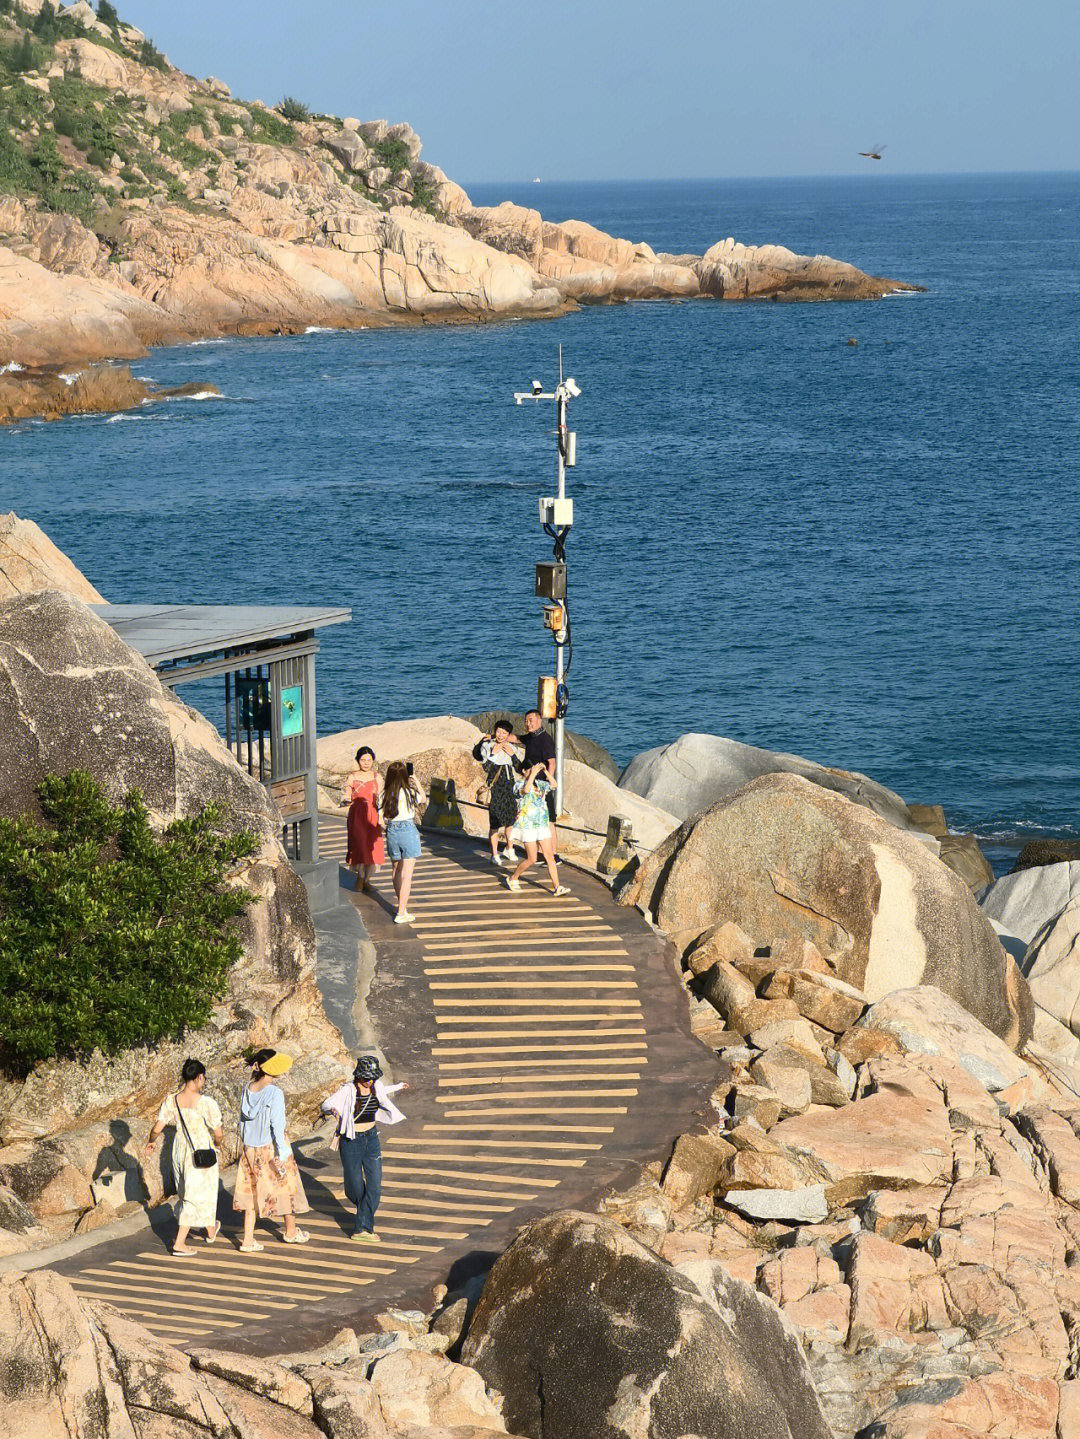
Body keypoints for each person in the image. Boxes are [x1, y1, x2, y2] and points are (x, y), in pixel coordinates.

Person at [320, 1054, 408, 1243]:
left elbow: (385, 1090)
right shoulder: (348, 1091)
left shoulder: (376, 1087)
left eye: (373, 1077)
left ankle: (362, 1228)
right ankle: (363, 1217)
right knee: (355, 1188)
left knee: (375, 1186)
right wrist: (333, 1110)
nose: (370, 1081)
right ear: (359, 1075)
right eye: (367, 1077)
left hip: (371, 1139)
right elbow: (326, 1103)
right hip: (351, 1141)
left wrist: (400, 1087)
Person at [233, 1049, 310, 1251]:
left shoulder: (247, 1088)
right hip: (271, 1147)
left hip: (250, 1149)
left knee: (251, 1190)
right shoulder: (274, 1093)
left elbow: (242, 1122)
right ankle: (291, 1231)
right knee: (286, 1186)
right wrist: (282, 1153)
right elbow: (277, 1125)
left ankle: (248, 1240)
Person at [145, 1058, 224, 1256]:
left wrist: (151, 1141)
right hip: (201, 1151)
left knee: (187, 1190)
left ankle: (211, 1228)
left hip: (179, 1150)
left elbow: (157, 1127)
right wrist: (217, 1145)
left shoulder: (172, 1100)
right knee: (197, 1194)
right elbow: (218, 1133)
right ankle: (180, 1243)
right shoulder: (206, 1103)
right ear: (199, 1077)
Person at [506, 763, 569, 896]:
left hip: (541, 824)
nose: (533, 771)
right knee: (532, 858)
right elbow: (526, 790)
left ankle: (557, 887)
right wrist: (532, 774)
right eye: (529, 769)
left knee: (549, 856)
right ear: (523, 770)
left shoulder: (540, 784)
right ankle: (513, 877)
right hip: (527, 826)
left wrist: (545, 772)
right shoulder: (518, 784)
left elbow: (554, 785)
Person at [380, 761, 425, 925]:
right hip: (408, 830)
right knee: (407, 874)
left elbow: (380, 821)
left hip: (392, 830)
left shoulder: (383, 794)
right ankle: (401, 912)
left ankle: (401, 905)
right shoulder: (410, 792)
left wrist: (389, 829)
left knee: (396, 869)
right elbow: (424, 799)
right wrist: (416, 780)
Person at [476, 720, 521, 867]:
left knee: (511, 820)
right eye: (499, 731)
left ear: (509, 735)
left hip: (509, 787)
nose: (501, 735)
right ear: (495, 731)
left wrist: (513, 755)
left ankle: (509, 847)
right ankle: (494, 854)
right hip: (496, 788)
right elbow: (486, 768)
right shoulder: (488, 746)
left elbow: (519, 768)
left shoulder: (511, 747)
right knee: (495, 823)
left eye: (504, 733)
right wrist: (493, 754)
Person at [514, 710, 558, 849]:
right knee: (538, 820)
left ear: (539, 720)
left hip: (541, 786)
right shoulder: (531, 737)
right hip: (531, 784)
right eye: (526, 721)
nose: (528, 723)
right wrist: (495, 736)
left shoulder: (545, 739)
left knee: (549, 821)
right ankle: (541, 852)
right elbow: (516, 739)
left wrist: (546, 784)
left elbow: (552, 762)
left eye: (531, 720)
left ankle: (554, 854)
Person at [342, 745, 384, 892]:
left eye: (369, 760)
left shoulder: (377, 777)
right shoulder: (352, 776)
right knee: (358, 845)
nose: (366, 763)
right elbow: (347, 793)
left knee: (372, 847)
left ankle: (367, 879)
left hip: (372, 814)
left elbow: (381, 797)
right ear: (358, 760)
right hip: (357, 814)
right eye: (363, 760)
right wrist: (346, 799)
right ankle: (360, 877)